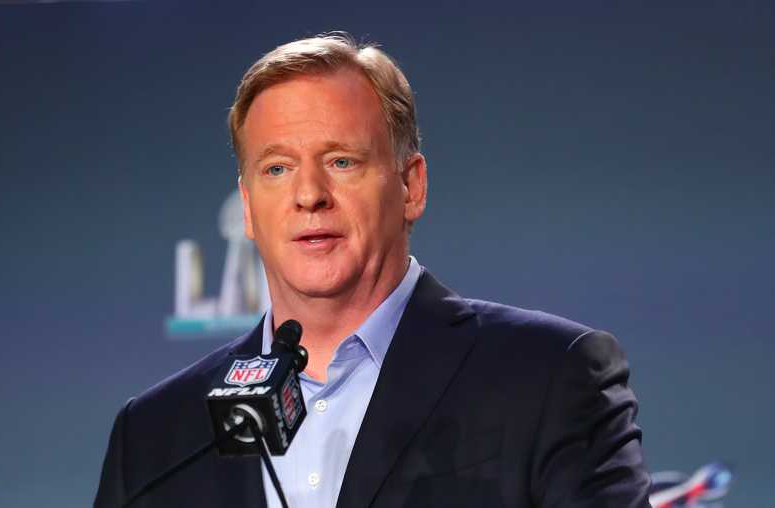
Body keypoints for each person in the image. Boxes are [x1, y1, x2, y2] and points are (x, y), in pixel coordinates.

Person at [94, 33, 651, 508]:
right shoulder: (156, 435)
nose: (308, 195)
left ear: (411, 186)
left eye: (341, 161)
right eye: (278, 168)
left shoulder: (548, 378)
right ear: (247, 207)